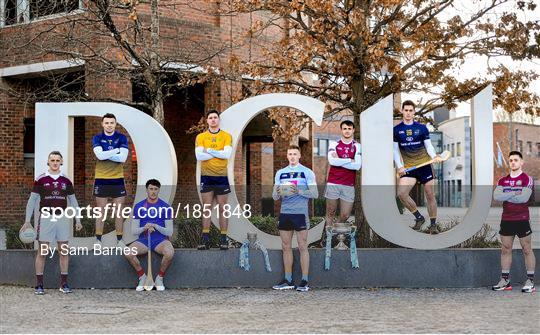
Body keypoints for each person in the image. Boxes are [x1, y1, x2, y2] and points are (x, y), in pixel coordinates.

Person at [21, 151, 82, 294]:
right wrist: (27, 220)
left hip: (62, 218)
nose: (55, 163)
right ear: (48, 162)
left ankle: (64, 284)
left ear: (61, 162)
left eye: (57, 160)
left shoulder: (66, 181)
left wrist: (77, 219)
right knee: (42, 251)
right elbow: (32, 200)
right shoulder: (41, 179)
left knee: (64, 252)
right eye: (52, 160)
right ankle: (40, 285)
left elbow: (73, 201)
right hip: (46, 218)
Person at [272, 145, 318, 292]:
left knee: (302, 246)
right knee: (286, 246)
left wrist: (298, 190)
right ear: (287, 156)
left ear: (299, 156)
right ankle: (288, 280)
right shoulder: (281, 173)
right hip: (285, 213)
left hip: (300, 213)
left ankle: (304, 281)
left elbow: (315, 193)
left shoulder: (307, 172)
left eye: (295, 154)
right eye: (290, 154)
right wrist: (278, 192)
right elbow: (274, 196)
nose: (292, 156)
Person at [393, 100, 443, 234]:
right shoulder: (396, 130)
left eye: (411, 110)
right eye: (406, 110)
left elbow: (429, 146)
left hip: (424, 165)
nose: (408, 113)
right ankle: (419, 218)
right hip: (409, 168)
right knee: (401, 194)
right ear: (402, 111)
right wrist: (399, 166)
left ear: (414, 112)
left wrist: (434, 157)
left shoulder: (422, 128)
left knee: (430, 194)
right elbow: (395, 151)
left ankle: (433, 225)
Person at [492, 151, 535, 293]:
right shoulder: (502, 180)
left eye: (516, 160)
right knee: (505, 249)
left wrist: (507, 194)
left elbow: (523, 198)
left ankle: (530, 281)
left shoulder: (527, 179)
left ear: (521, 162)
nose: (513, 162)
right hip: (507, 219)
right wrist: (515, 192)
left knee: (527, 249)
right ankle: (505, 280)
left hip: (522, 219)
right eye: (510, 160)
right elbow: (497, 195)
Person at [125, 179, 175, 291]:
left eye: (156, 189)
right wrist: (145, 227)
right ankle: (142, 276)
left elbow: (169, 232)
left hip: (160, 240)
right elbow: (134, 231)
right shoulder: (139, 206)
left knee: (169, 252)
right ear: (146, 190)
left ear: (159, 190)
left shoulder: (165, 207)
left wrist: (156, 226)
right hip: (144, 240)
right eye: (151, 189)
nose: (153, 191)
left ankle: (159, 278)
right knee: (128, 252)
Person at [194, 109, 233, 250]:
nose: (213, 120)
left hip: (221, 177)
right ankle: (205, 240)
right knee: (206, 209)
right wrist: (218, 153)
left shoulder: (226, 136)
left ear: (218, 120)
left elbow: (227, 154)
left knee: (223, 209)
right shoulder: (201, 137)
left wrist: (209, 151)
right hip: (206, 176)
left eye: (215, 117)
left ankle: (223, 240)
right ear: (207, 121)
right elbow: (199, 156)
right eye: (210, 118)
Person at [92, 113, 129, 246]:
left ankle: (119, 240)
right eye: (106, 123)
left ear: (115, 123)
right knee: (100, 211)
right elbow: (100, 156)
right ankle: (98, 240)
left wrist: (105, 154)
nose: (109, 125)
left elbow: (123, 158)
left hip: (117, 179)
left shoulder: (122, 137)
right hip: (101, 178)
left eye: (111, 123)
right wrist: (116, 151)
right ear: (102, 124)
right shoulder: (97, 137)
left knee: (119, 211)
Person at [325, 120, 362, 228]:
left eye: (349, 129)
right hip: (333, 183)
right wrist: (350, 160)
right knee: (330, 212)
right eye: (345, 128)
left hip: (348, 184)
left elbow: (357, 166)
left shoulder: (357, 146)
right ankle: (327, 238)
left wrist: (340, 160)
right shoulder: (334, 144)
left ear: (353, 130)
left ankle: (334, 232)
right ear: (341, 130)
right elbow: (332, 162)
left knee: (345, 215)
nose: (347, 131)